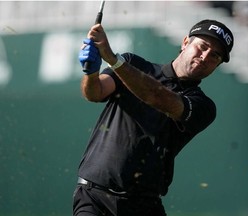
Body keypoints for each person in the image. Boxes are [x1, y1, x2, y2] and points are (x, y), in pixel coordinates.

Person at [73, 19, 234, 216]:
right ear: (185, 43)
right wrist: (90, 72)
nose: (205, 56)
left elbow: (156, 97)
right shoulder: (133, 63)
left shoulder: (203, 106)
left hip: (143, 206)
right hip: (94, 197)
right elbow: (95, 93)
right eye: (203, 46)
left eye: (215, 55)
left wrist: (114, 61)